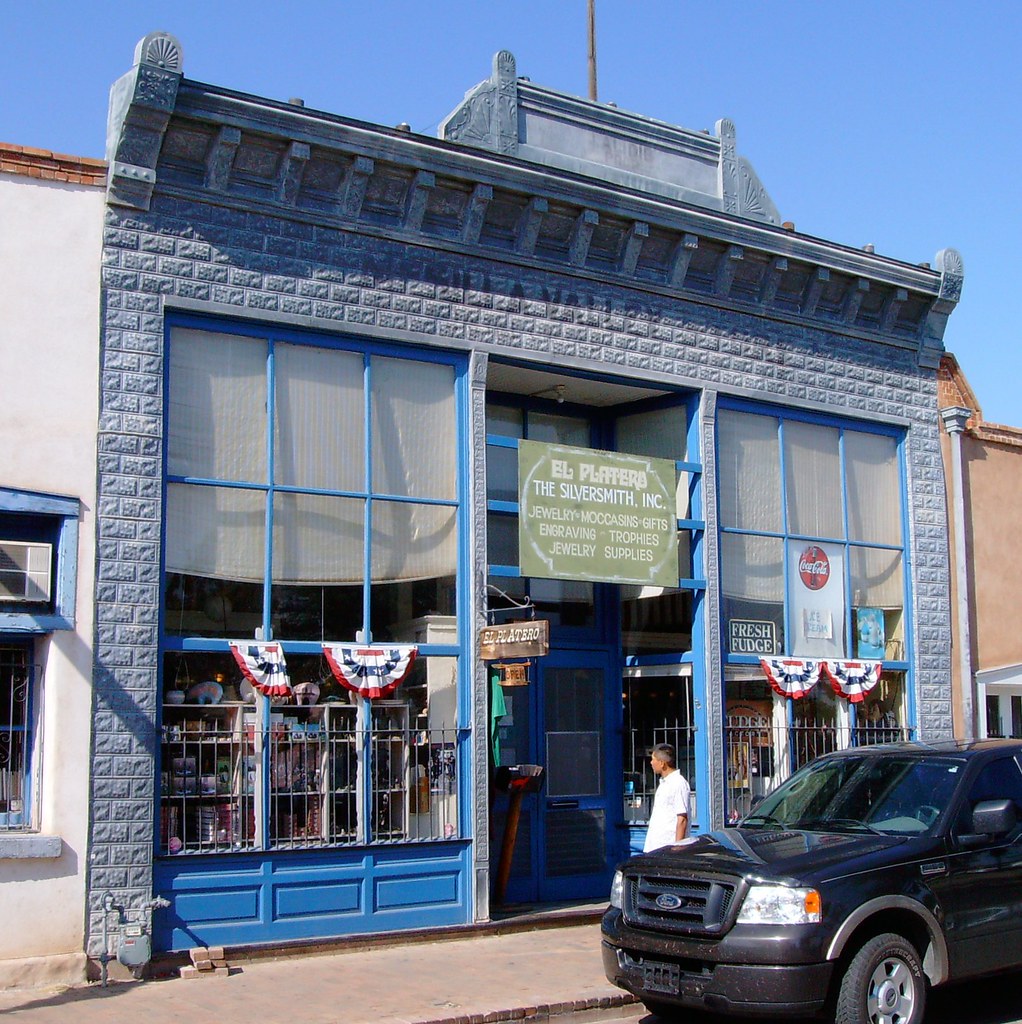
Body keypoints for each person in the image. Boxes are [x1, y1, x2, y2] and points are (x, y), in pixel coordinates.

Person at [643, 743, 691, 852]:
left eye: (653, 759)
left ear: (662, 763)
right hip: (656, 846)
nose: (651, 763)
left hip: (667, 847)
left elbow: (682, 818)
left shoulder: (678, 783)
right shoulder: (664, 783)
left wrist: (677, 848)